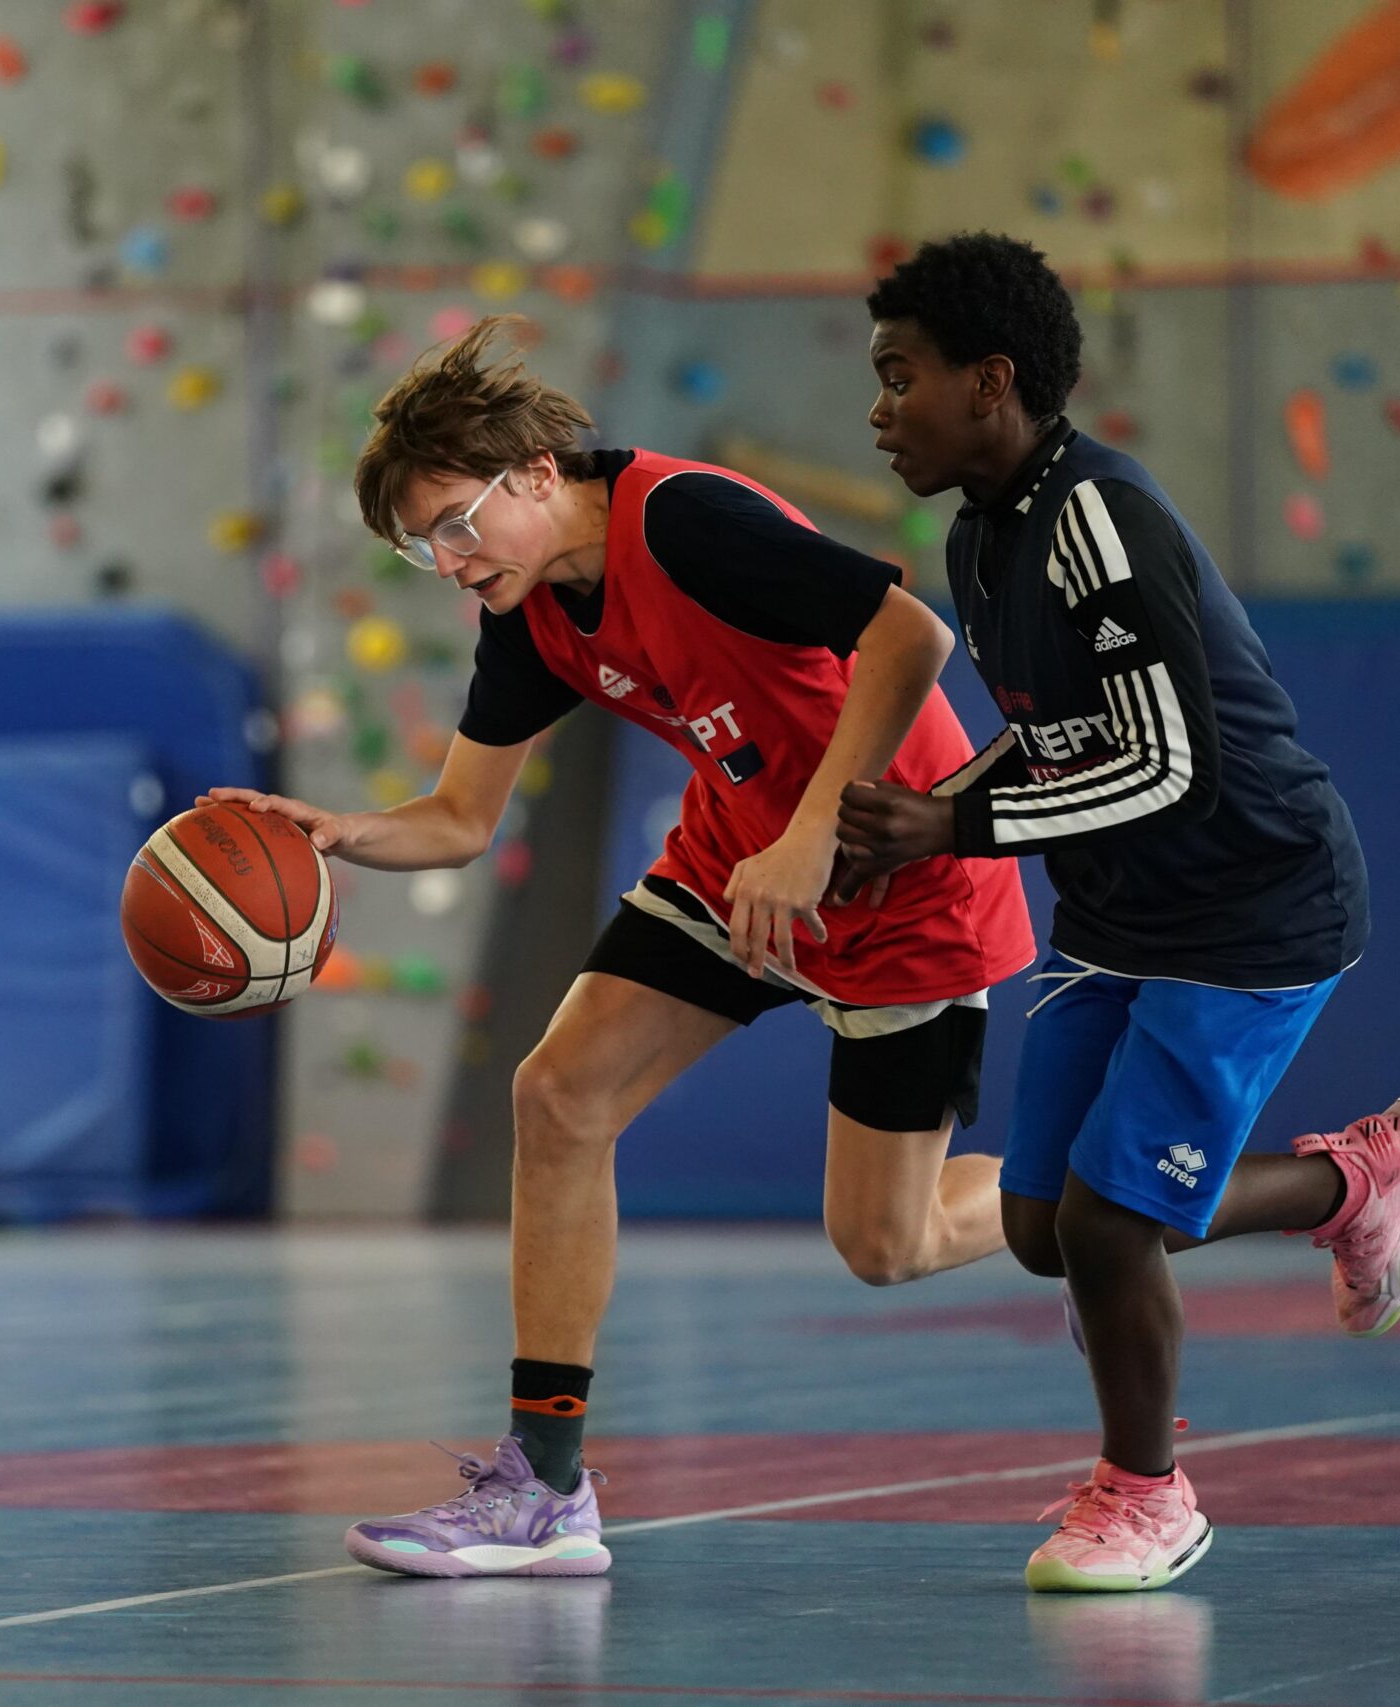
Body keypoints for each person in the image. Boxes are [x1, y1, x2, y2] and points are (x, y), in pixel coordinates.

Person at [199, 317, 1033, 1578]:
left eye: (455, 523)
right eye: (421, 546)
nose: (447, 561)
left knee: (888, 1247)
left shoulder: (686, 524)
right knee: (558, 1095)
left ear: (537, 473)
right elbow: (459, 820)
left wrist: (813, 835)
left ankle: (1089, 1201)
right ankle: (544, 1488)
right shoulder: (531, 609)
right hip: (732, 870)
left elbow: (910, 636)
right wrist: (336, 834)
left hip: (899, 887)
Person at [837, 233, 1400, 1594]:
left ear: (991, 381)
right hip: (1121, 912)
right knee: (1043, 1224)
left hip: (1253, 907)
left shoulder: (1100, 521)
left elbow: (1174, 766)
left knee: (1111, 1226)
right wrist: (914, 818)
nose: (878, 410)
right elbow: (1047, 732)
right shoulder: (979, 535)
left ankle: (1147, 1495)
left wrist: (953, 827)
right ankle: (1355, 1180)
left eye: (900, 376)